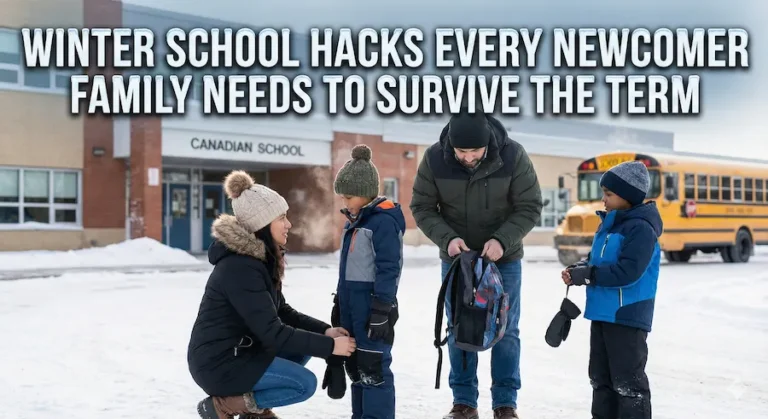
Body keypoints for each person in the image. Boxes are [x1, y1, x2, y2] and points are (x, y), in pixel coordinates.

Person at [188, 170, 357, 419]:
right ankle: (226, 405)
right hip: (220, 364)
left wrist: (324, 331)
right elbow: (273, 332)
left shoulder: (258, 260)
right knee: (303, 384)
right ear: (261, 225)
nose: (288, 224)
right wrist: (331, 347)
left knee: (303, 346)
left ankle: (253, 410)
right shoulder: (240, 267)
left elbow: (282, 312)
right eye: (281, 218)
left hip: (241, 353)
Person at [410, 110, 543, 419]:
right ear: (451, 146)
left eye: (475, 151)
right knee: (460, 328)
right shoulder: (434, 158)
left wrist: (502, 240)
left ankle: (505, 404)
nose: (468, 158)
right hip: (458, 259)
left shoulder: (513, 156)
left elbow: (529, 205)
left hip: (504, 258)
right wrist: (447, 239)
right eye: (461, 152)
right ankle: (464, 402)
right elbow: (422, 207)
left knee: (505, 329)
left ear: (488, 143)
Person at [562, 160, 662, 419]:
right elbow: (598, 261)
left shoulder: (640, 229)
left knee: (628, 384)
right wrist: (579, 269)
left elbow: (628, 272)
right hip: (603, 314)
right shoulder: (610, 225)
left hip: (626, 316)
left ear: (627, 196)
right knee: (601, 380)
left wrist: (590, 275)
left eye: (609, 194)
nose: (603, 199)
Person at [332, 144, 406, 419]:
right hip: (352, 305)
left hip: (372, 307)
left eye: (348, 196)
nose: (344, 202)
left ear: (365, 194)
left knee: (373, 366)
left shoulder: (382, 222)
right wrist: (339, 304)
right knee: (356, 365)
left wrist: (382, 309)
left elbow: (389, 268)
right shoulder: (355, 221)